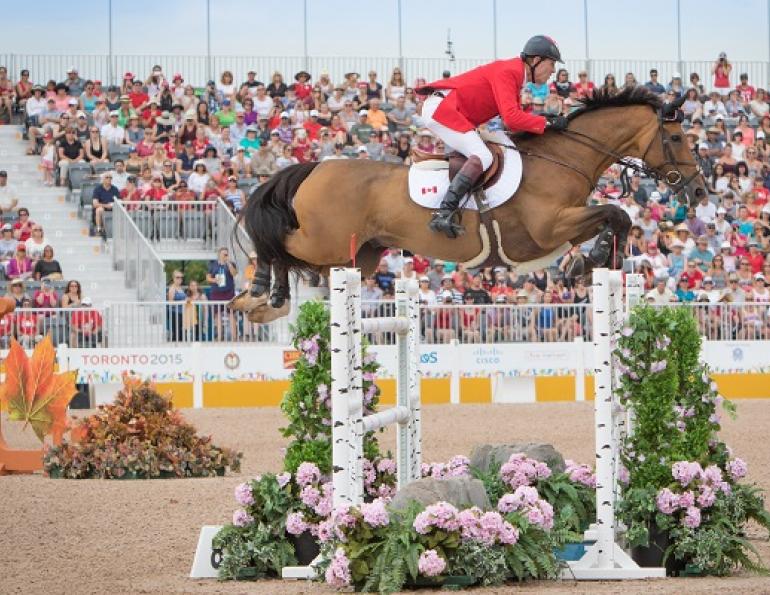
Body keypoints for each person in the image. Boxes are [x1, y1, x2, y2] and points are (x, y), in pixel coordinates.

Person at [418, 35, 566, 237]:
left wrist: (543, 120)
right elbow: (512, 119)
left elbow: (510, 121)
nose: (553, 70)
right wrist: (546, 123)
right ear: (536, 60)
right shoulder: (509, 71)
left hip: (451, 110)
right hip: (444, 109)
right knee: (484, 156)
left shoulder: (515, 75)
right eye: (551, 63)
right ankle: (444, 212)